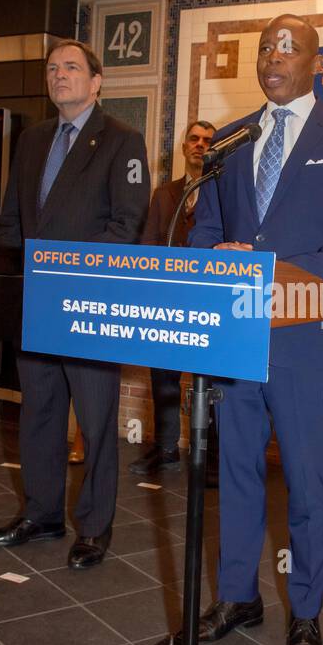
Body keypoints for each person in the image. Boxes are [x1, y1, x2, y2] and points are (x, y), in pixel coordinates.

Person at [189, 14, 323, 645]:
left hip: (305, 341)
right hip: (237, 338)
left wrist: (276, 272)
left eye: (288, 48)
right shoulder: (231, 140)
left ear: (315, 62)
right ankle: (239, 597)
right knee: (236, 473)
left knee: (305, 483)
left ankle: (306, 614)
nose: (274, 59)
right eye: (266, 50)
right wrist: (219, 253)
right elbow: (204, 231)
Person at [0, 39, 149, 569]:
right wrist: (25, 269)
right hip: (36, 302)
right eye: (53, 68)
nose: (60, 75)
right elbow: (12, 219)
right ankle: (42, 514)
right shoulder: (32, 140)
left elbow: (127, 225)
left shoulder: (122, 140)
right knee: (39, 412)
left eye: (72, 67)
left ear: (97, 81)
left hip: (89, 304)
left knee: (97, 420)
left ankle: (95, 527)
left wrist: (63, 267)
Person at [129, 119, 219, 482]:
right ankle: (166, 449)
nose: (199, 144)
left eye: (207, 141)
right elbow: (148, 242)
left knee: (210, 382)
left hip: (208, 302)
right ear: (183, 147)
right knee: (163, 378)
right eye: (193, 139)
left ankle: (211, 458)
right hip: (168, 300)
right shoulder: (164, 194)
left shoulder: (223, 192)